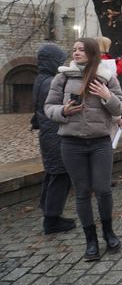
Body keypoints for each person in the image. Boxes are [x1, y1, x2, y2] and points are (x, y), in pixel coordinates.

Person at [44, 38, 122, 261]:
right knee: (82, 192)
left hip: (100, 142)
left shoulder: (106, 77)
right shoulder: (62, 77)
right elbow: (48, 108)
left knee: (103, 190)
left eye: (81, 49)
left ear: (92, 52)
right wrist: (63, 111)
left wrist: (107, 96)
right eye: (74, 49)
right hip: (72, 144)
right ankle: (91, 240)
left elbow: (120, 107)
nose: (76, 52)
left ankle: (108, 232)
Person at [32, 43, 76, 234]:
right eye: (59, 61)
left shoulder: (40, 79)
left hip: (48, 135)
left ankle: (48, 210)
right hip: (55, 135)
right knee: (60, 175)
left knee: (52, 172)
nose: (61, 64)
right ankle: (52, 220)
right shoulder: (50, 82)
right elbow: (61, 106)